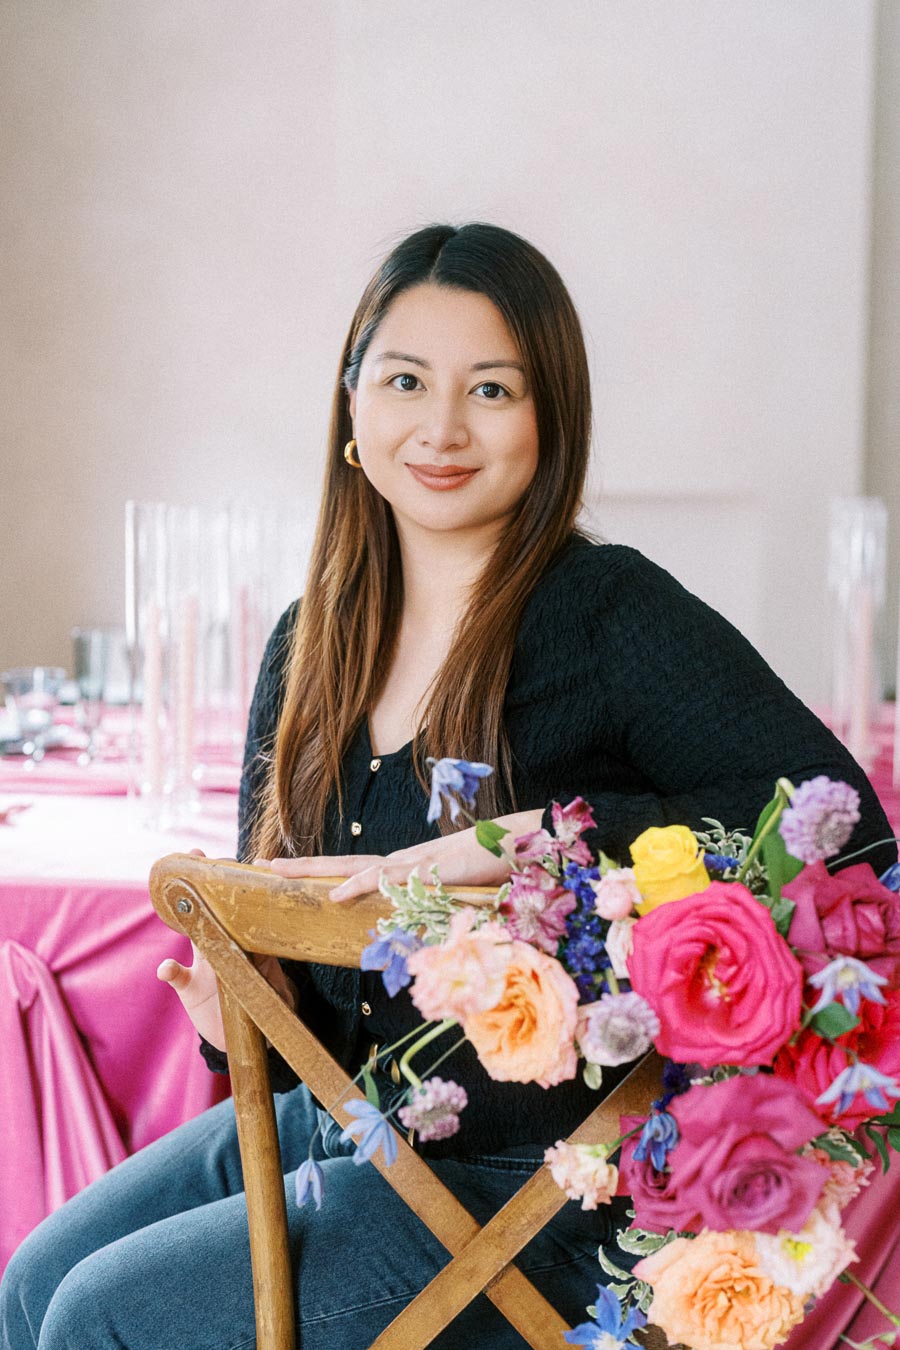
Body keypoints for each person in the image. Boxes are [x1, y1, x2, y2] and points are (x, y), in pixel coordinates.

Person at [2, 222, 895, 1350]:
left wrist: (533, 839)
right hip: (352, 1127)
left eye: (492, 389)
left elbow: (844, 834)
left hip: (539, 1188)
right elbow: (320, 1012)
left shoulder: (612, 614)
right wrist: (246, 1004)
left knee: (100, 1319)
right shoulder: (307, 643)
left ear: (548, 420)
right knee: (33, 1285)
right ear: (351, 410)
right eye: (407, 381)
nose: (442, 427)